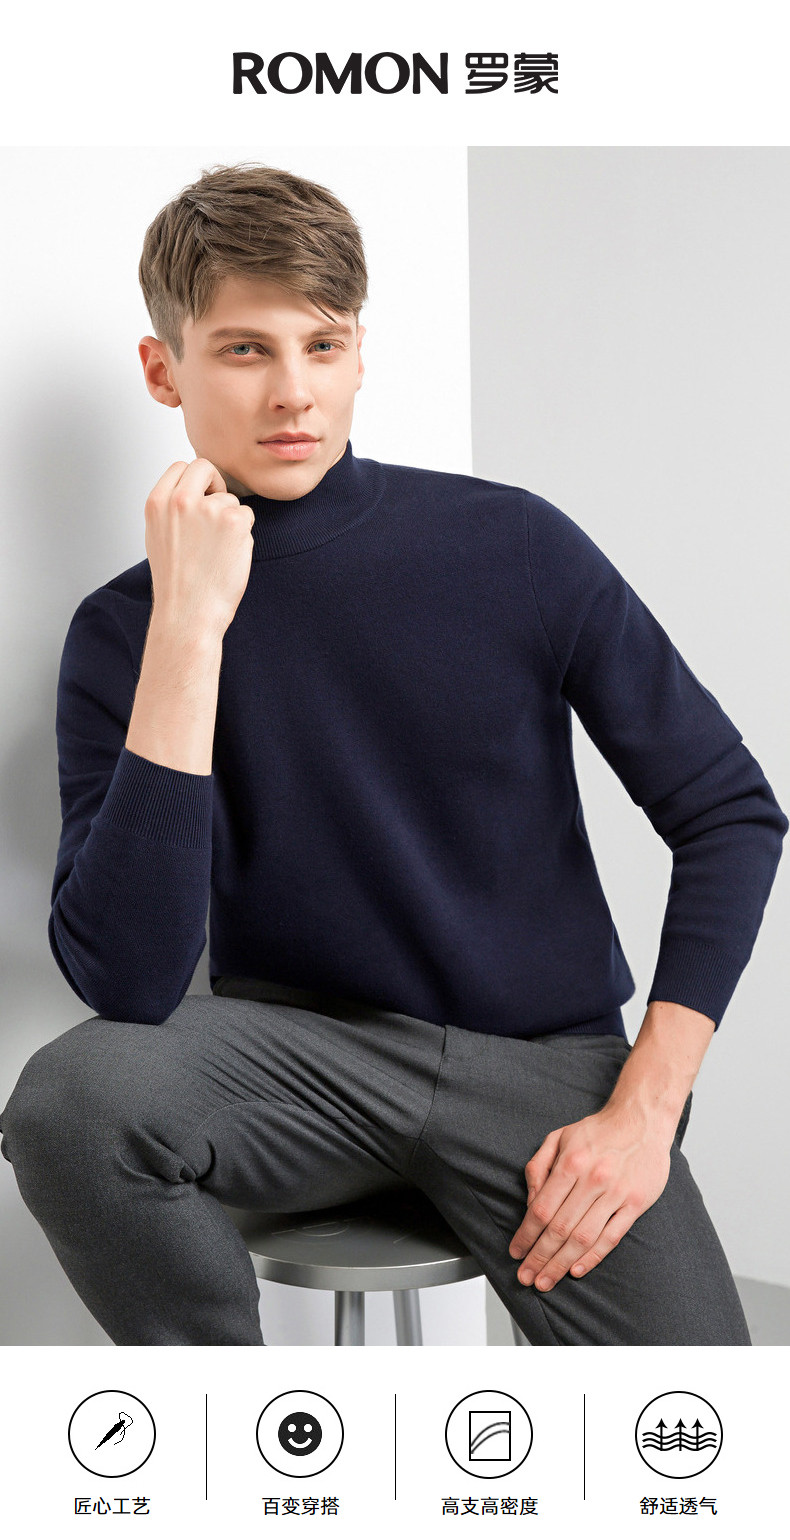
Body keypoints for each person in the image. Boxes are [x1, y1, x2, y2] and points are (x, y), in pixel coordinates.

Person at [1, 163, 786, 1346]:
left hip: (541, 1069)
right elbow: (130, 981)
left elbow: (727, 810)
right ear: (165, 370)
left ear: (360, 354)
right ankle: (242, 1433)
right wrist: (188, 630)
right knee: (67, 1102)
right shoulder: (127, 630)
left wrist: (644, 1109)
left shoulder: (512, 544)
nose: (293, 392)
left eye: (321, 346)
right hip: (292, 1064)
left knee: (699, 1427)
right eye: (245, 350)